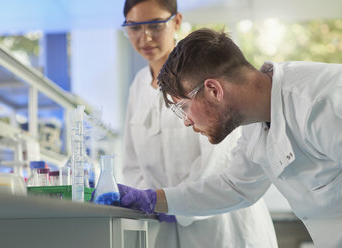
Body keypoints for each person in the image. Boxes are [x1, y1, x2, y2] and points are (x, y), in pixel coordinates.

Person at [118, 28, 342, 247]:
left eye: (184, 107)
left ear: (214, 90)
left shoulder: (322, 103)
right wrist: (154, 199)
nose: (185, 121)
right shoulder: (255, 123)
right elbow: (236, 187)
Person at [120, 1, 278, 247]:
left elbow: (219, 161)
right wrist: (149, 200)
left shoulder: (201, 71)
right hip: (166, 226)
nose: (145, 37)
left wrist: (172, 204)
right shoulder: (137, 86)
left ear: (177, 22)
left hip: (224, 225)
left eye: (155, 25)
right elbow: (132, 163)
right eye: (135, 28)